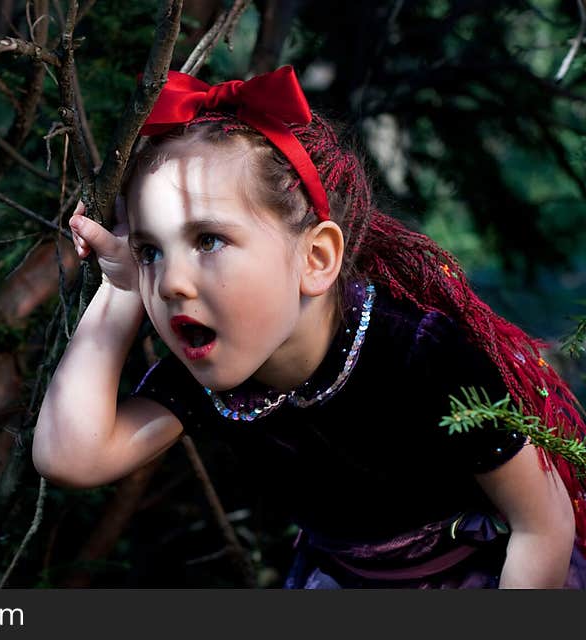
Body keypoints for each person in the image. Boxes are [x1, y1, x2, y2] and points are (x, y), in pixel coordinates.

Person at [33, 65, 586, 588]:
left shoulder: (418, 353)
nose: (172, 282)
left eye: (208, 241)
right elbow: (70, 456)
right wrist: (124, 288)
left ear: (316, 258)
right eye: (151, 250)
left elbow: (542, 525)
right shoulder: (209, 376)